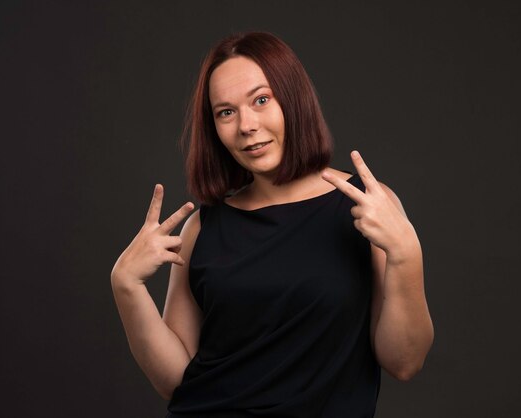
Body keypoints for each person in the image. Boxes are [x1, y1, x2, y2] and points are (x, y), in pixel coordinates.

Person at [111, 31, 434, 417]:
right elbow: (176, 381)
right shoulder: (202, 227)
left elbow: (404, 362)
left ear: (293, 100)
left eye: (261, 100)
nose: (246, 125)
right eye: (225, 112)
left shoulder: (366, 204)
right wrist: (125, 285)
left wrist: (406, 254)